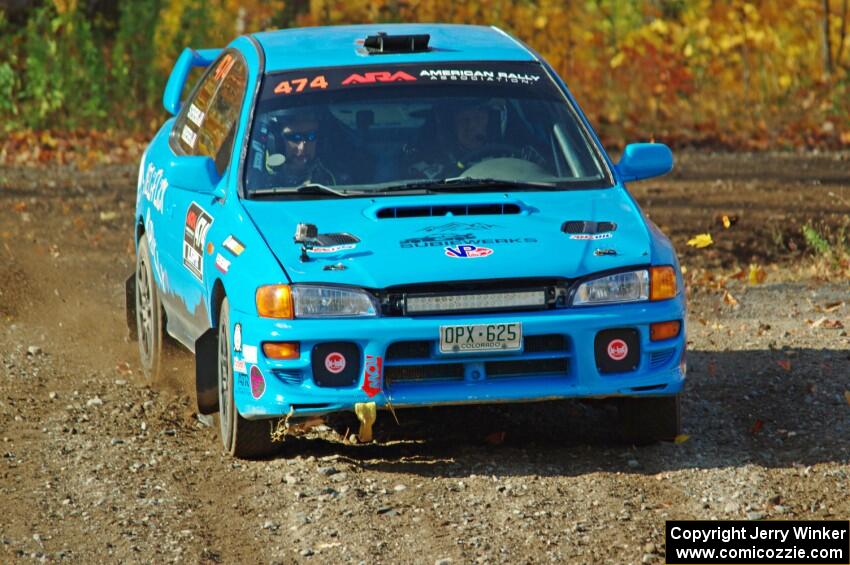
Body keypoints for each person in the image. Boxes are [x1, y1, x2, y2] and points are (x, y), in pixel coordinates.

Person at [266, 109, 337, 186]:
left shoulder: (332, 179)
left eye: (311, 136)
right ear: (278, 142)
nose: (302, 148)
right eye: (294, 137)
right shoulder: (257, 178)